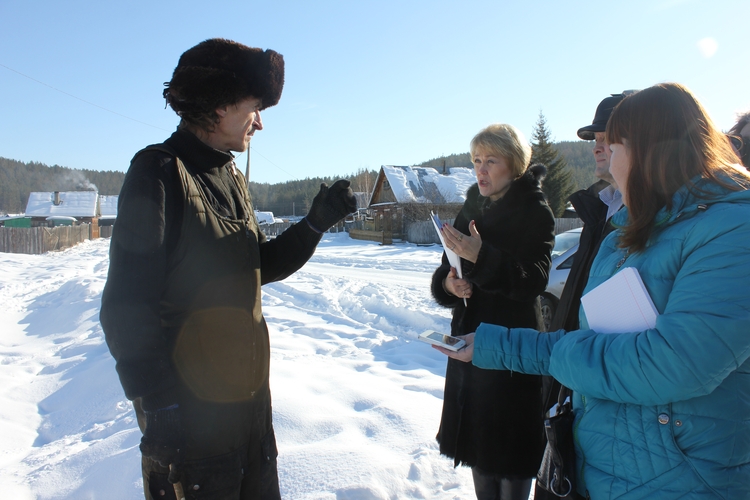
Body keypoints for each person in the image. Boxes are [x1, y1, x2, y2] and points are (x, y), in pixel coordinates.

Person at [436, 83, 750, 499]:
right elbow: (588, 336)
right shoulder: (626, 231)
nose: (603, 158)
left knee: (506, 462)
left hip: (680, 478)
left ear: (651, 150)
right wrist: (482, 334)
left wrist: (485, 262)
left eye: (613, 147)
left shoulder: (731, 229)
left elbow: (671, 364)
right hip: (605, 465)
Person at [100, 39, 356, 500]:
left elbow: (258, 265)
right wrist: (158, 404)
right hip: (191, 428)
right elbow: (124, 307)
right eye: (254, 107)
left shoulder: (230, 176)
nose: (260, 122)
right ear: (217, 106)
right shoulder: (158, 174)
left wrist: (315, 223)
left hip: (250, 418)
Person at [430, 123, 555, 500]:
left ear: (514, 165)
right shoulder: (471, 206)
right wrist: (449, 286)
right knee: (480, 457)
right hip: (469, 349)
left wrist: (481, 257)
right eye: (476, 161)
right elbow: (444, 269)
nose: (480, 170)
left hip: (512, 353)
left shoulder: (536, 212)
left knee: (512, 463)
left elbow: (532, 281)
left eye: (490, 161)